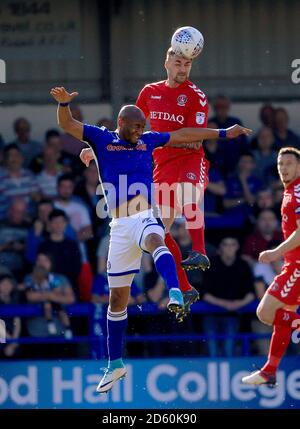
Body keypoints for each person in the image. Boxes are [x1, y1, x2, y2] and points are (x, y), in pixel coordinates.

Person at [50, 85, 251, 393]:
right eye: (136, 126)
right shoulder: (102, 138)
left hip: (144, 214)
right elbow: (68, 125)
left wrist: (223, 133)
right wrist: (64, 104)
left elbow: (183, 134)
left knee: (158, 238)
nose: (141, 131)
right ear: (121, 125)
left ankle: (175, 291)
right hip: (118, 227)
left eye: (143, 126)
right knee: (117, 301)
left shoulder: (147, 140)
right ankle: (115, 365)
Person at [80, 48, 211, 319]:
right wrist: (95, 150)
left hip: (188, 160)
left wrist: (164, 138)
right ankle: (185, 288)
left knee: (188, 196)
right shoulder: (150, 92)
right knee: (159, 232)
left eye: (187, 64)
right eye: (178, 63)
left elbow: (197, 139)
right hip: (161, 166)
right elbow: (128, 133)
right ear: (166, 63)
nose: (183, 68)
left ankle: (199, 251)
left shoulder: (196, 96)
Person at [242, 147, 300, 386]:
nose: (283, 168)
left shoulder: (297, 192)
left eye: (288, 163)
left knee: (265, 312)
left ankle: (269, 370)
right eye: (280, 163)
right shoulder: (288, 191)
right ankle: (269, 371)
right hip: (292, 263)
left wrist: (277, 251)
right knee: (280, 317)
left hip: (297, 265)